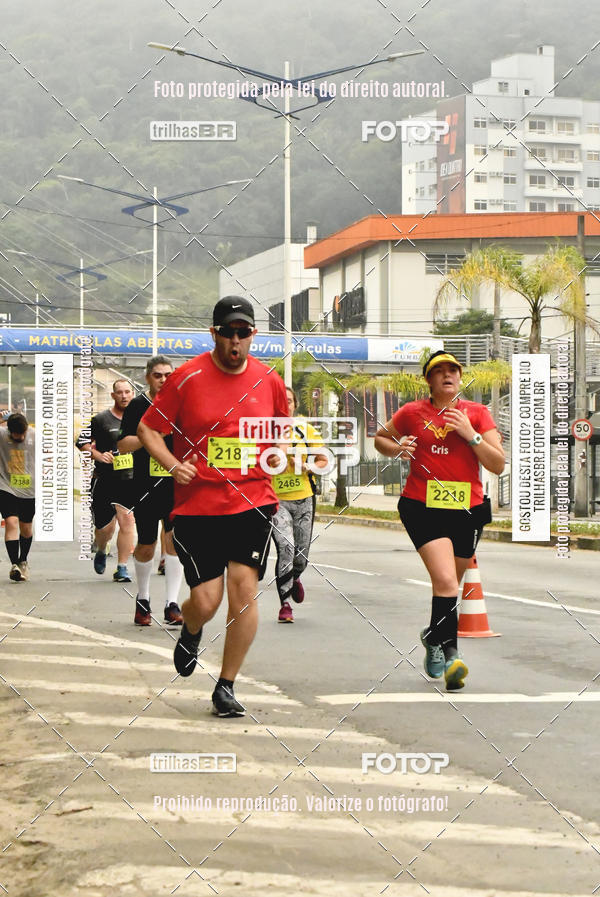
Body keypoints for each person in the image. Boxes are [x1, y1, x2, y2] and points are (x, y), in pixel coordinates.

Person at [138, 296, 289, 717]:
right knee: (206, 601)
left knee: (243, 591)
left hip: (252, 501)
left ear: (252, 335)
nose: (236, 341)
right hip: (199, 506)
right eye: (228, 333)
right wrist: (172, 465)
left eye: (243, 333)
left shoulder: (269, 380)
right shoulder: (186, 378)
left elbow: (280, 432)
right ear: (214, 334)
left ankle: (226, 685)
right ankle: (190, 628)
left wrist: (276, 454)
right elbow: (148, 428)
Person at [374, 351, 505, 691]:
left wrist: (471, 435)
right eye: (439, 371)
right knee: (446, 582)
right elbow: (381, 438)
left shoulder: (477, 414)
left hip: (467, 510)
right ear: (429, 380)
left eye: (453, 370)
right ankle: (452, 658)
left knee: (449, 588)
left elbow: (498, 464)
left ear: (460, 378)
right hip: (422, 506)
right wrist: (398, 447)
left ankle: (433, 636)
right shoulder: (413, 412)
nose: (447, 375)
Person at [117, 355, 184, 626]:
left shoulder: (182, 404)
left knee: (175, 540)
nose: (164, 380)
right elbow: (123, 445)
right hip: (145, 485)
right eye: (158, 375)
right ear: (148, 377)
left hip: (175, 484)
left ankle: (172, 603)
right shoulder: (137, 406)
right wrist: (150, 440)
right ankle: (143, 599)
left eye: (168, 375)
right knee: (147, 544)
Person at [272, 387, 328, 623]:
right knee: (285, 547)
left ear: (295, 405)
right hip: (276, 500)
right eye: (281, 402)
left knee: (301, 554)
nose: (286, 406)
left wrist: (307, 467)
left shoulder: (305, 430)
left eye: (289, 401)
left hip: (304, 498)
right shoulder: (264, 431)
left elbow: (324, 460)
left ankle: (294, 577)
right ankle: (285, 604)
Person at [76, 379, 136, 582]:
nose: (124, 396)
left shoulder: (140, 420)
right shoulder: (101, 419)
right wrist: (98, 455)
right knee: (105, 529)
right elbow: (81, 441)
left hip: (129, 480)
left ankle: (122, 567)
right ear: (113, 395)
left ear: (132, 394)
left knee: (127, 522)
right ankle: (101, 549)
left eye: (128, 392)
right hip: (104, 480)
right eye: (120, 392)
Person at [0, 413, 35, 582]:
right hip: (6, 486)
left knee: (26, 529)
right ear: (8, 430)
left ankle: (23, 560)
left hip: (29, 490)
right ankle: (14, 565)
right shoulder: (1, 435)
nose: (20, 437)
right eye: (16, 435)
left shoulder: (35, 436)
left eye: (22, 434)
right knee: (11, 522)